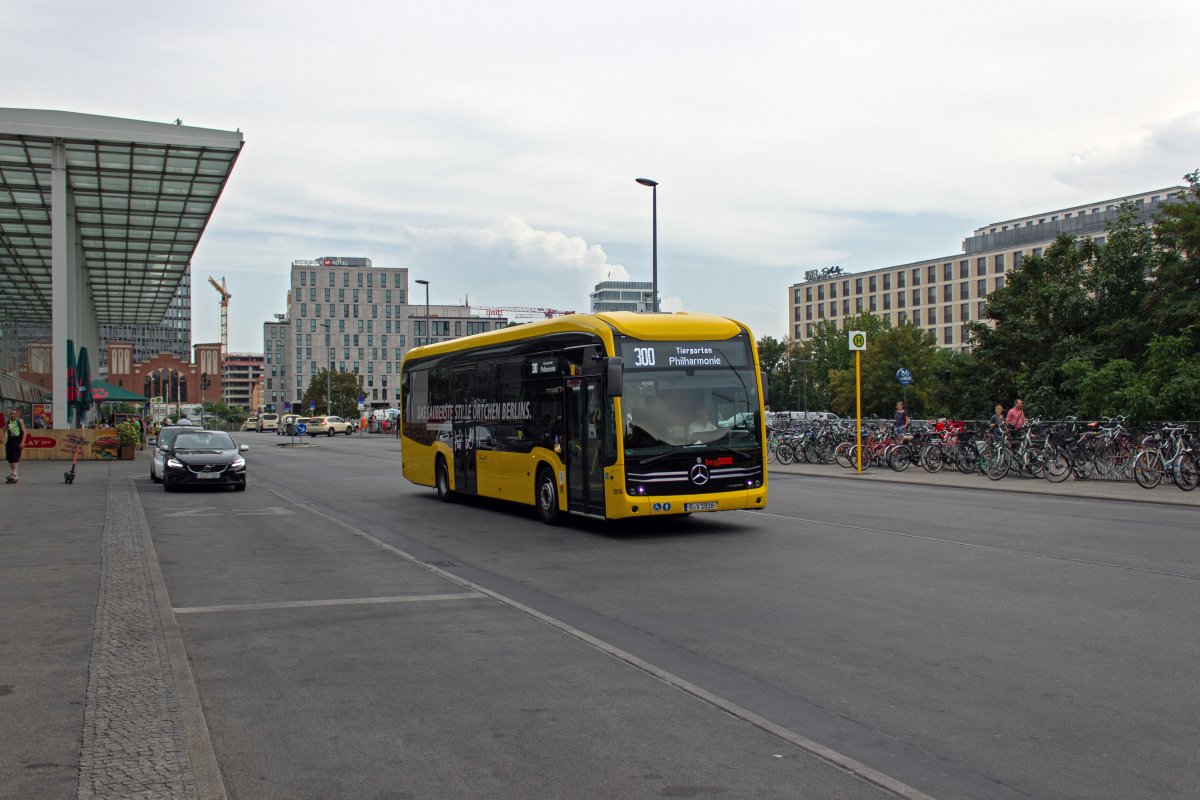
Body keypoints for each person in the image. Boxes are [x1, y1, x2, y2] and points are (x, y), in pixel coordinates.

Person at [6, 407, 26, 484]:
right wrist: (2, 437)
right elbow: (5, 429)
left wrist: (22, 442)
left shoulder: (20, 421)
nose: (12, 415)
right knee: (9, 457)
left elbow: (24, 432)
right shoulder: (8, 421)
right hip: (10, 439)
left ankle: (15, 473)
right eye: (11, 413)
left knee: (15, 456)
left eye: (14, 413)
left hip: (17, 439)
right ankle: (13, 472)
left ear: (16, 414)